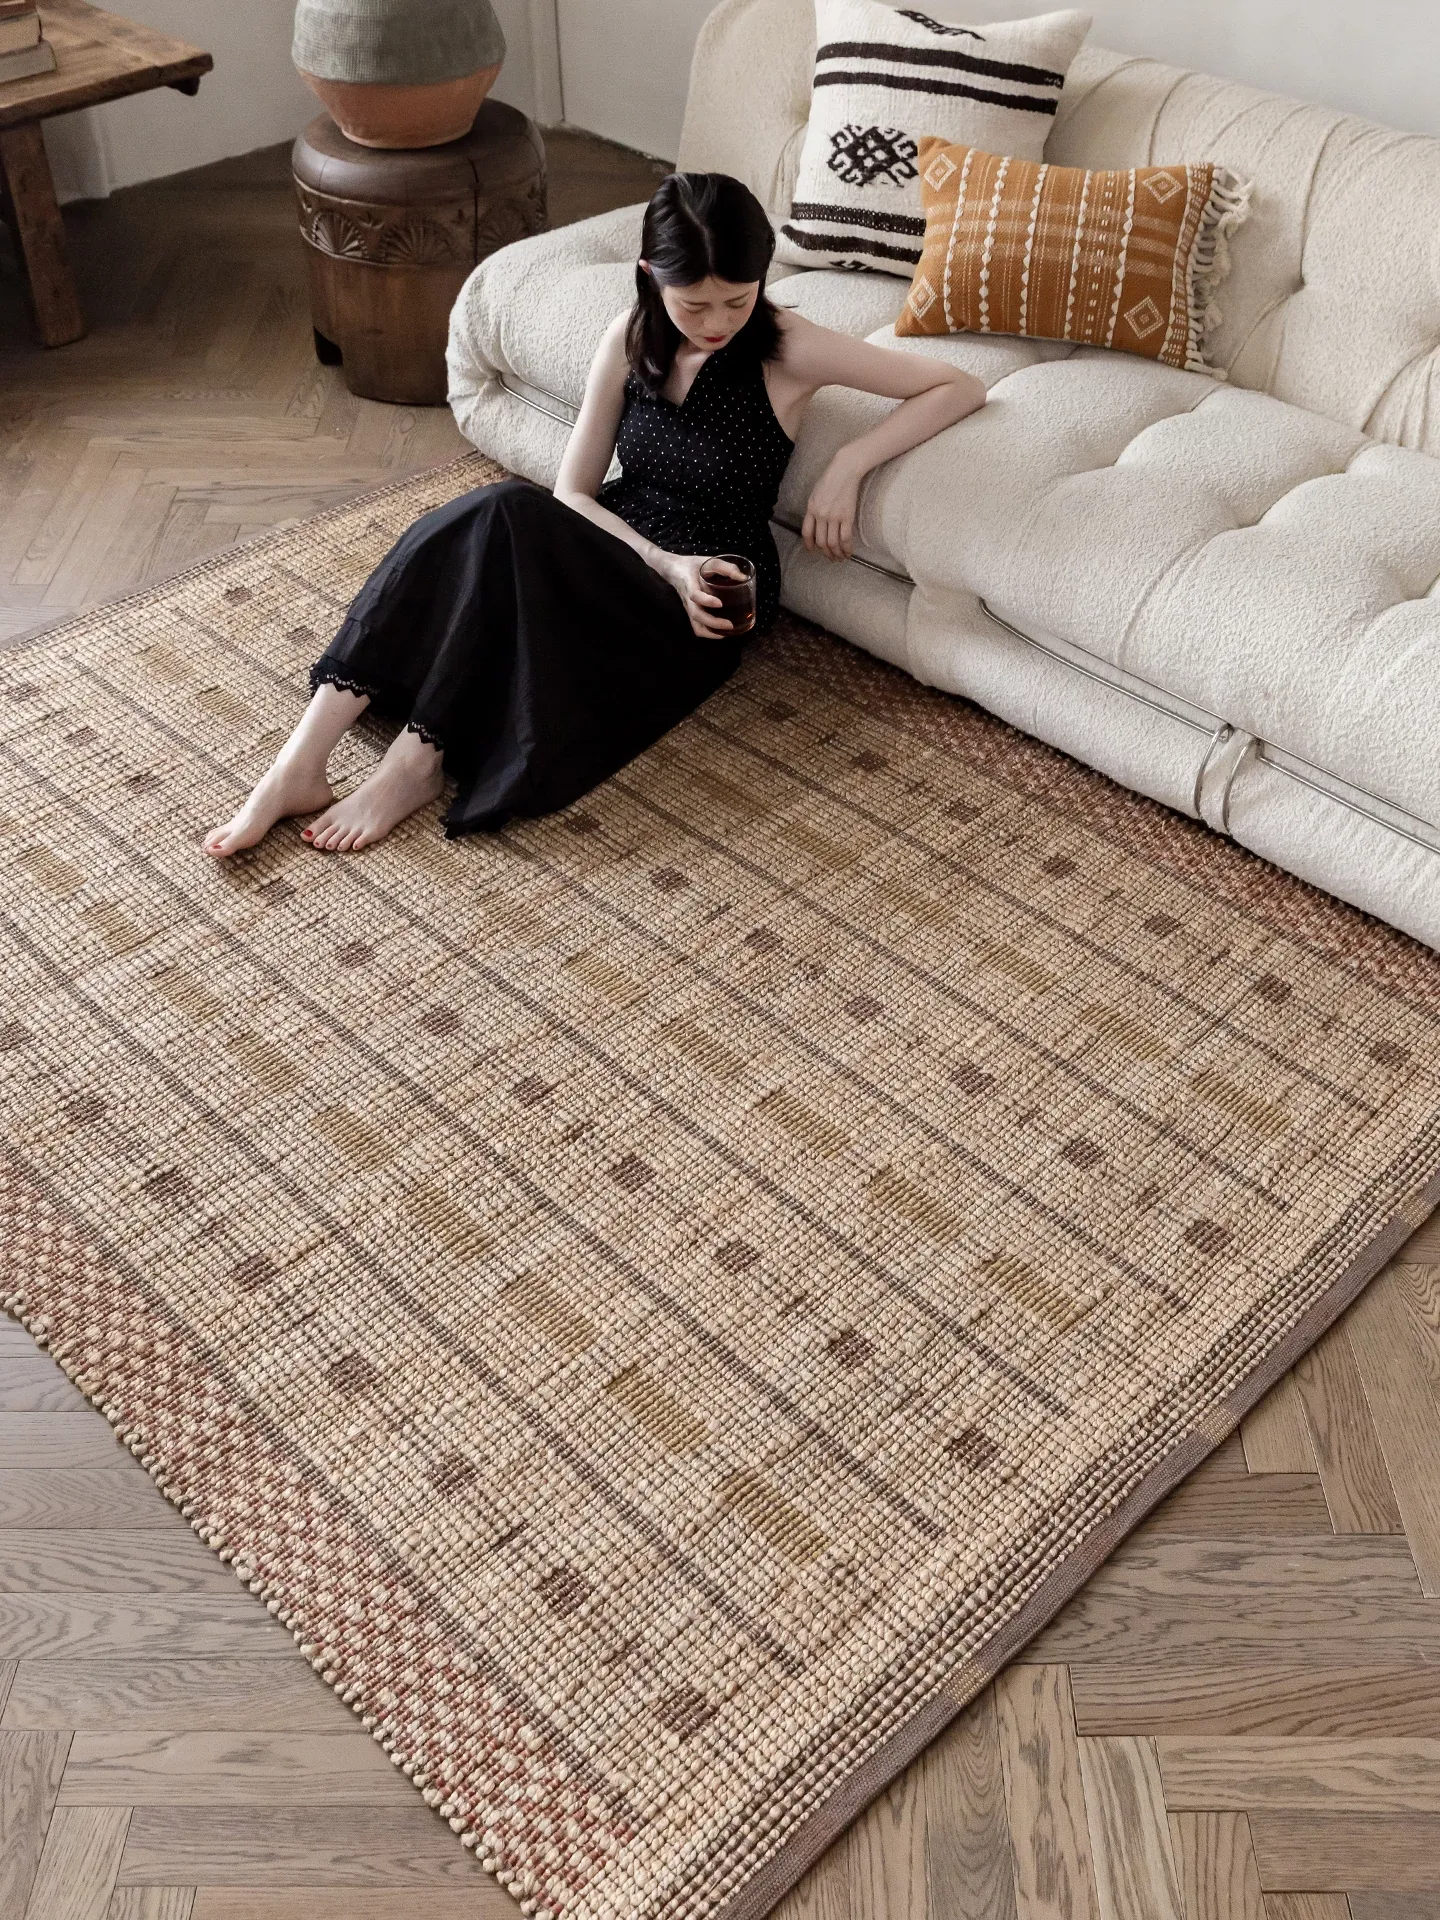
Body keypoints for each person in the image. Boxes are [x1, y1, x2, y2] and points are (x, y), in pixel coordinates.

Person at [204, 171, 985, 857]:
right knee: (481, 534)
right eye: (694, 304)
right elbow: (575, 494)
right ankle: (298, 764)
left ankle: (414, 763)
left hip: (708, 589)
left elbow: (957, 385)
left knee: (501, 517)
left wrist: (849, 466)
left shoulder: (786, 346)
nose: (717, 321)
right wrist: (657, 558)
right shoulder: (631, 336)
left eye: (737, 299)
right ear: (651, 277)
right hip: (622, 544)